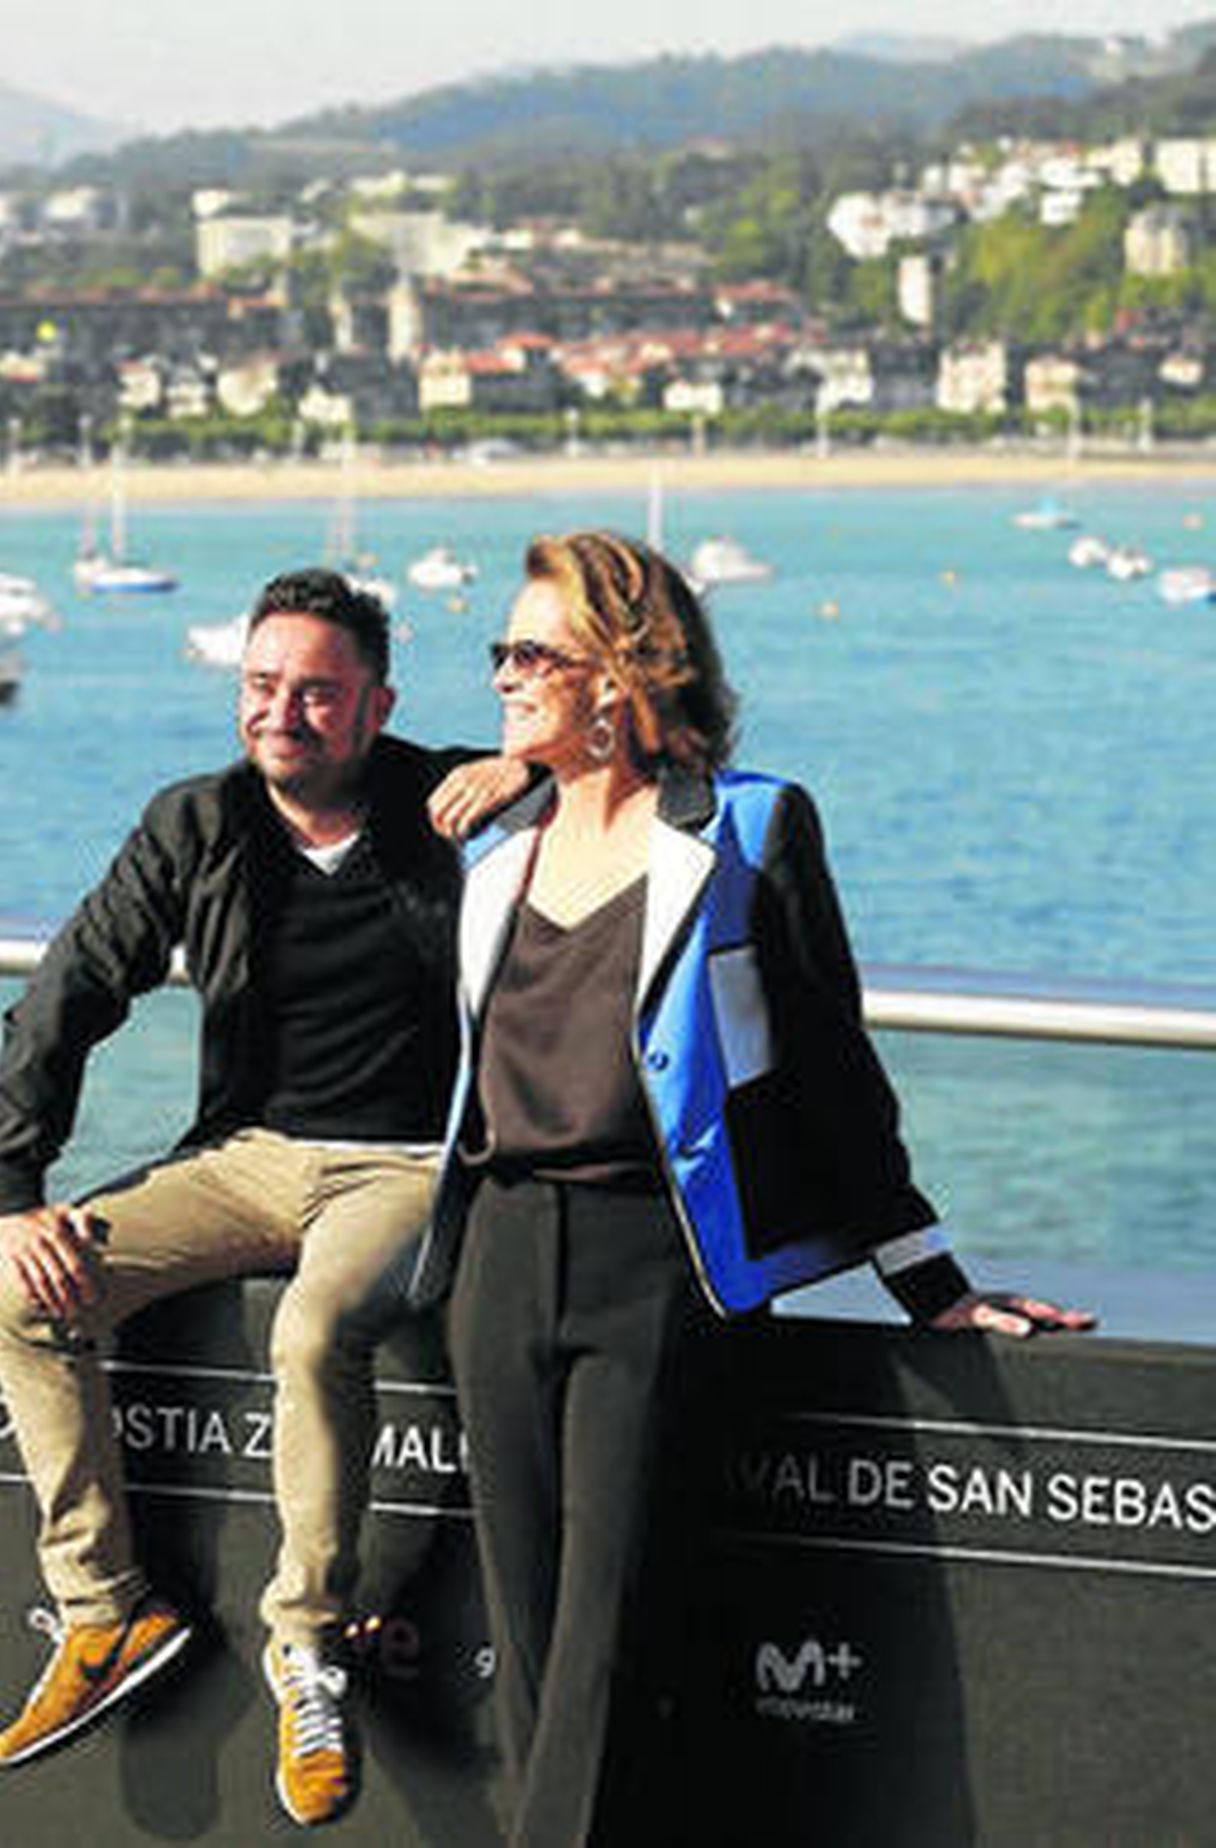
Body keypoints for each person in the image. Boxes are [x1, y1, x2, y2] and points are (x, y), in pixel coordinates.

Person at [405, 530, 1096, 1847]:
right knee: (538, 1645)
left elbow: (830, 1060)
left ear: (618, 672)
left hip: (655, 1272)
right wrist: (527, 769)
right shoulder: (490, 833)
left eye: (530, 654)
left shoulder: (749, 827)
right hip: (494, 1260)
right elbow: (303, 801)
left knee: (606, 1651)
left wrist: (929, 1281)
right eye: (499, 651)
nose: (500, 674)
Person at [0, 566, 520, 1825]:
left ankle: (308, 1648)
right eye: (263, 686)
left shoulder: (441, 803)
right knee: (18, 1299)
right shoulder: (198, 823)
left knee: (316, 1329)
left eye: (318, 693)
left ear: (376, 707)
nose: (285, 712)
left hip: (404, 1163)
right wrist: (20, 1181)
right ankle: (105, 1611)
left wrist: (524, 764)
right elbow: (72, 986)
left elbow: (625, 764)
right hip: (243, 1154)